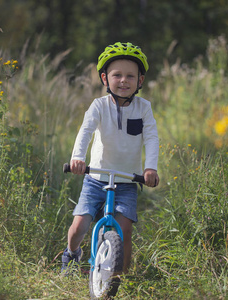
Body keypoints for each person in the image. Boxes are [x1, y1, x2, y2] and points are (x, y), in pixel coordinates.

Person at [61, 42, 160, 274]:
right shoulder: (99, 106)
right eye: (117, 75)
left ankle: (119, 277)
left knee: (124, 231)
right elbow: (85, 132)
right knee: (80, 225)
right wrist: (78, 158)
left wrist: (150, 169)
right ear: (105, 79)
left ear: (140, 81)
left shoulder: (143, 108)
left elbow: (152, 138)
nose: (123, 80)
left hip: (127, 182)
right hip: (95, 177)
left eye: (130, 76)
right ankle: (72, 253)